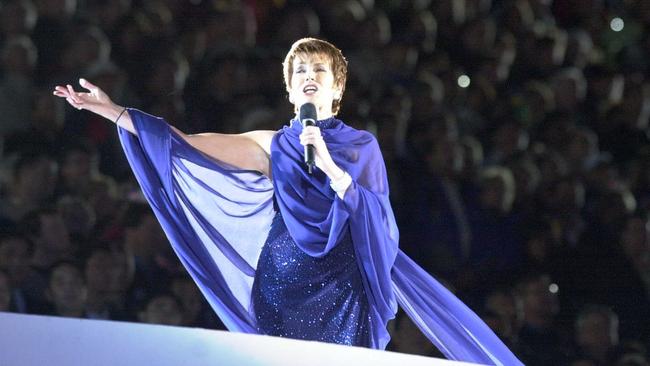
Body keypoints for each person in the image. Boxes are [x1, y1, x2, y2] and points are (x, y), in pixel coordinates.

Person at [54, 38, 522, 365]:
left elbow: (378, 220)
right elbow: (186, 143)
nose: (309, 76)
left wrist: (332, 168)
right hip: (283, 287)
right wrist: (114, 111)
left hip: (343, 290)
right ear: (290, 88)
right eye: (301, 71)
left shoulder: (361, 147)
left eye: (319, 70)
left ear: (337, 89)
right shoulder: (270, 143)